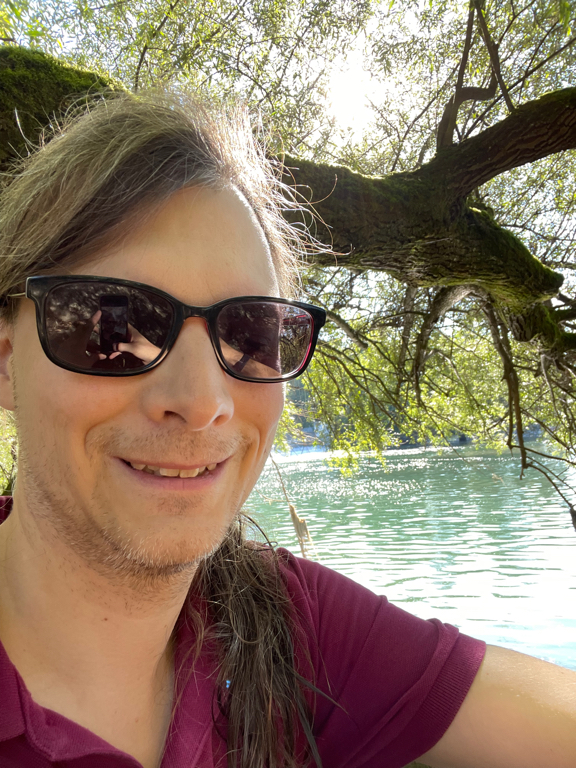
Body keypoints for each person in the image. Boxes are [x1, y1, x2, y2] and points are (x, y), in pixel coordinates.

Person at [0, 91, 573, 768]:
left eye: (251, 333)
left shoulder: (292, 631)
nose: (202, 401)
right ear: (7, 362)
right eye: (110, 328)